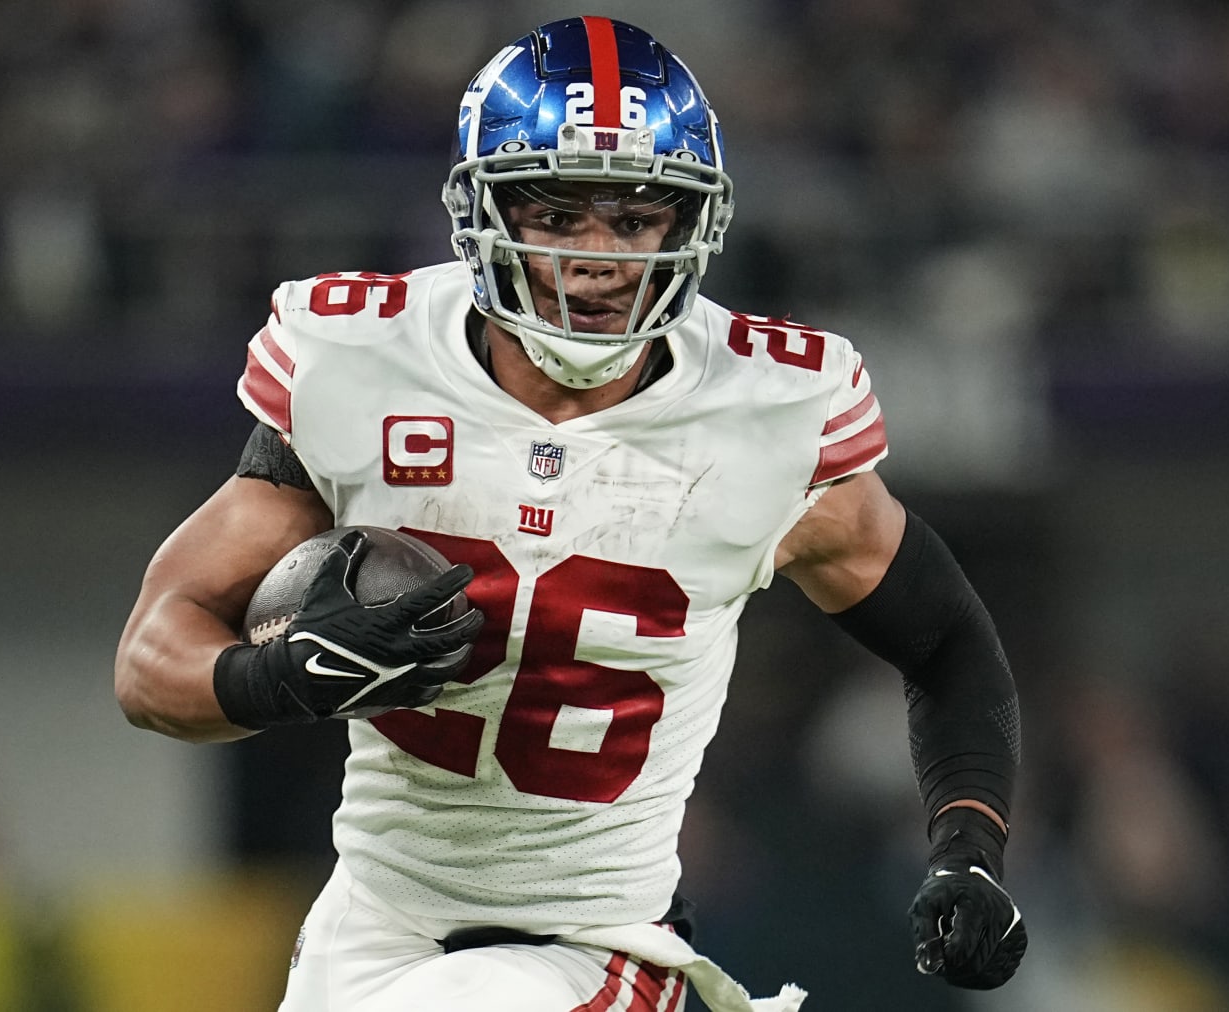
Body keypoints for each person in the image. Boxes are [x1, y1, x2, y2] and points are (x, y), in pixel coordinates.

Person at [115, 16, 1024, 1012]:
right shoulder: (363, 363)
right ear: (484, 213)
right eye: (557, 216)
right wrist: (278, 678)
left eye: (633, 222)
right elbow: (151, 659)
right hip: (371, 925)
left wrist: (970, 848)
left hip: (595, 939)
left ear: (688, 228)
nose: (597, 259)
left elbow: (946, 641)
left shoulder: (767, 414)